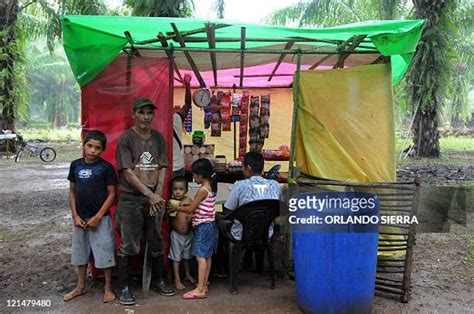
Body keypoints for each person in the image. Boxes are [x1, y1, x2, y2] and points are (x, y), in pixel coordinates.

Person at [115, 97, 175, 305]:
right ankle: (123, 286)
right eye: (141, 112)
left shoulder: (158, 138)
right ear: (133, 114)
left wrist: (157, 194)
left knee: (156, 241)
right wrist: (150, 196)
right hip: (131, 199)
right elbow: (128, 173)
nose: (146, 117)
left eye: (150, 113)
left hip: (154, 197)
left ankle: (158, 280)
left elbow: (163, 167)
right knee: (129, 245)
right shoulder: (126, 139)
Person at [64, 130, 117, 303]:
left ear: (103, 149)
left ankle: (108, 288)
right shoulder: (75, 165)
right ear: (84, 145)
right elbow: (72, 191)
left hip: (101, 219)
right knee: (80, 253)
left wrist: (98, 216)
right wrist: (75, 215)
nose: (93, 150)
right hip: (80, 219)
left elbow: (112, 194)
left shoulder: (106, 168)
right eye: (90, 146)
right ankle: (80, 286)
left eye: (97, 148)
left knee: (105, 252)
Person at [169, 158, 218, 299]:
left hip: (203, 227)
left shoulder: (202, 190)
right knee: (207, 257)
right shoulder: (212, 186)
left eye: (195, 175)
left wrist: (176, 207)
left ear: (201, 175)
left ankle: (200, 289)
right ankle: (204, 285)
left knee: (200, 257)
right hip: (210, 225)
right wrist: (182, 205)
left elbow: (191, 208)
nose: (193, 177)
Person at [223, 151, 282, 241]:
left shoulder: (240, 185)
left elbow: (228, 210)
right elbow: (282, 209)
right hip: (266, 234)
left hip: (241, 235)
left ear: (248, 168)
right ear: (262, 169)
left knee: (219, 223)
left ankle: (221, 255)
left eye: (243, 167)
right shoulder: (275, 185)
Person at [167, 176, 196, 290]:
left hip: (188, 234)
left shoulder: (189, 201)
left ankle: (188, 274)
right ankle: (177, 279)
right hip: (177, 235)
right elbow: (170, 213)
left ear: (186, 190)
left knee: (187, 256)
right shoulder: (171, 202)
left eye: (181, 189)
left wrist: (191, 215)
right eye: (175, 189)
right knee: (176, 258)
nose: (178, 192)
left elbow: (193, 210)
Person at [173, 73, 192, 178]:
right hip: (178, 167)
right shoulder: (177, 118)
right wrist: (188, 84)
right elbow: (188, 104)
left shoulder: (156, 121)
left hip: (164, 168)